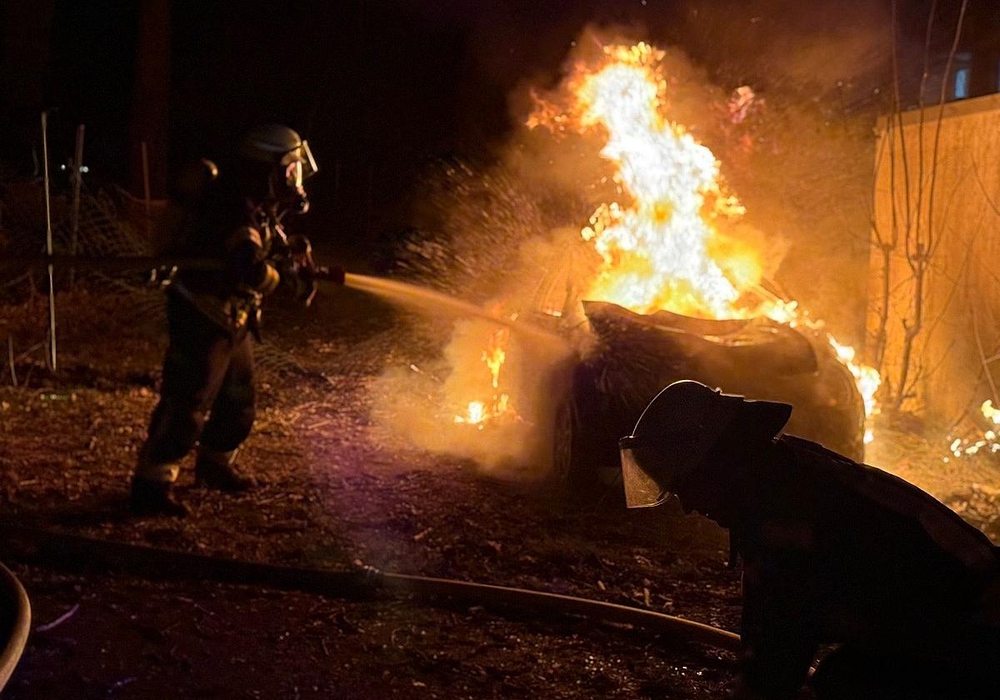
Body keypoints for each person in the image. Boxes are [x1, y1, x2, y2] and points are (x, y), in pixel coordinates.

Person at [619, 380, 1000, 700]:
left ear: (715, 463)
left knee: (849, 685)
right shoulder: (784, 476)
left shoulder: (786, 511)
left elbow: (779, 647)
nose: (689, 505)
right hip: (953, 624)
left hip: (979, 632)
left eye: (688, 485)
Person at [130, 124, 328, 517]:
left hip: (232, 317)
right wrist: (283, 280)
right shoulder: (232, 205)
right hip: (201, 314)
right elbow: (247, 266)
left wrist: (292, 254)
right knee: (188, 401)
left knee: (238, 400)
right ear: (268, 169)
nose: (295, 179)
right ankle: (151, 484)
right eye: (290, 170)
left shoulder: (255, 203)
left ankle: (214, 465)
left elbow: (265, 243)